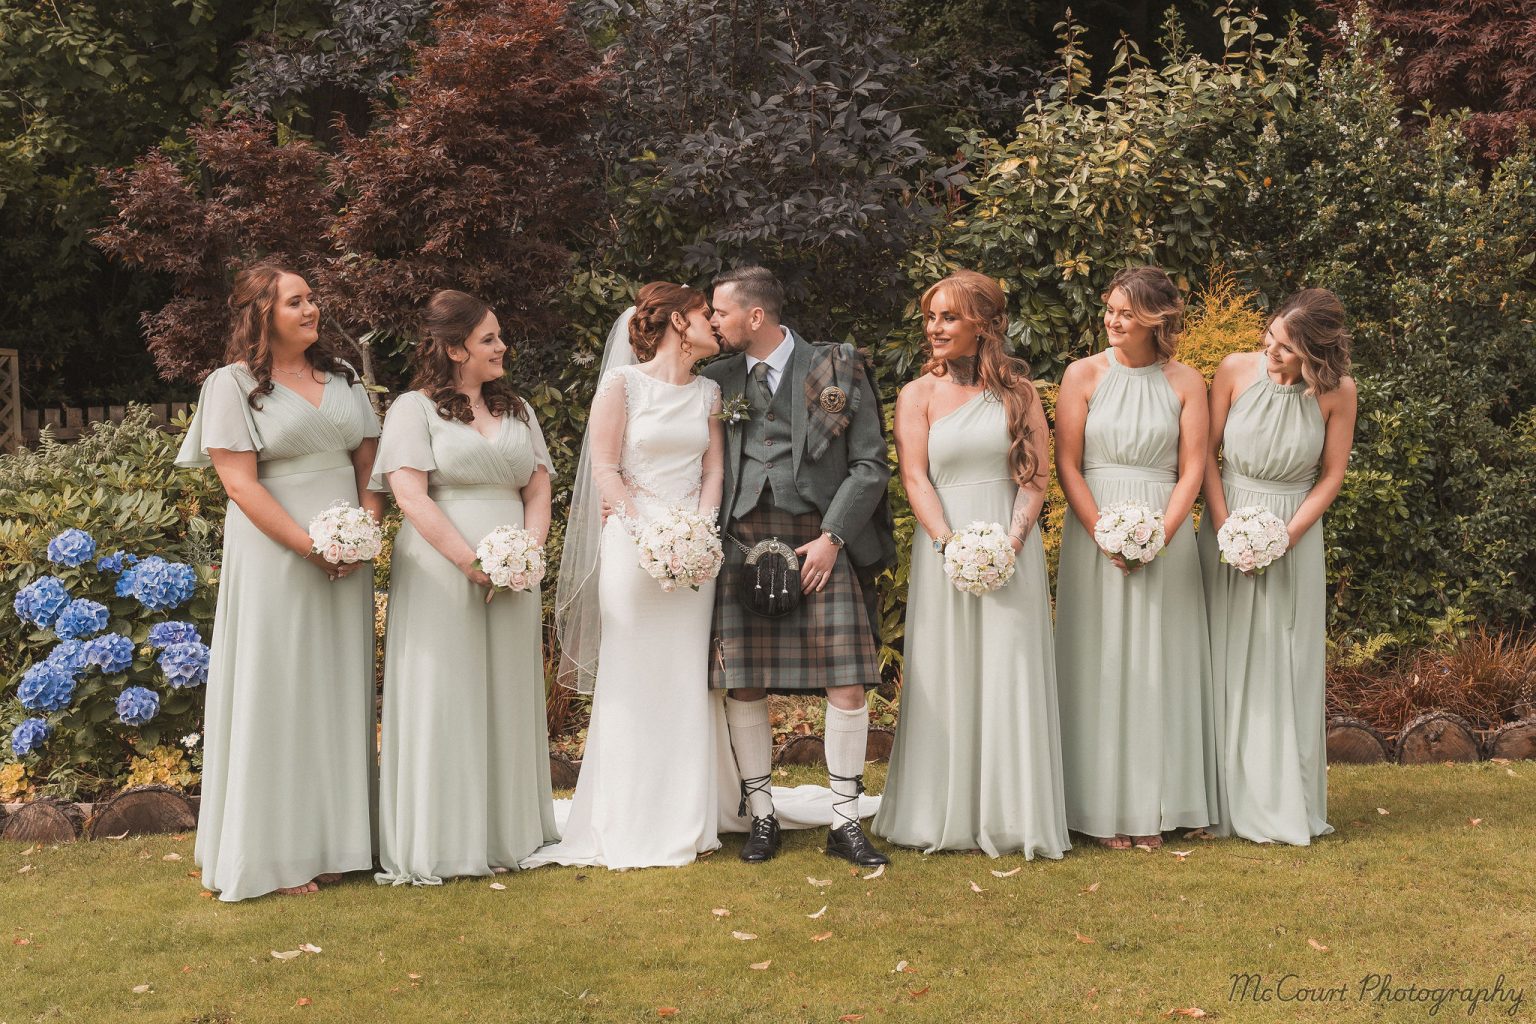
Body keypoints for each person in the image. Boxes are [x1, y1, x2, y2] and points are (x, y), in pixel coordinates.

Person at [176, 262, 381, 900]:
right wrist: (310, 546)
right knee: (281, 689)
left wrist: (362, 535)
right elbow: (239, 484)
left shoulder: (345, 379)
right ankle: (277, 852)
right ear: (261, 313)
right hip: (276, 552)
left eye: (313, 298)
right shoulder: (230, 386)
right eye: (296, 301)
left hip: (346, 554)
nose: (311, 309)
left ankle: (339, 842)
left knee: (337, 688)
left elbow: (370, 464)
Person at [523, 282, 734, 869]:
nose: (713, 322)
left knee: (683, 675)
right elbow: (606, 469)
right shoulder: (622, 384)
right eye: (702, 314)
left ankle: (684, 816)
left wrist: (699, 530)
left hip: (694, 550)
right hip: (632, 542)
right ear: (675, 321)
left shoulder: (710, 391)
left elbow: (713, 468)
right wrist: (646, 533)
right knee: (633, 674)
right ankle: (621, 814)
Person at [872, 270, 1070, 859]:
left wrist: (1009, 543)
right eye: (931, 316)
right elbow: (915, 477)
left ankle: (1013, 817)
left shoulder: (1020, 392)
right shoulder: (917, 395)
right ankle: (941, 811)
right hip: (946, 550)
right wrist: (948, 545)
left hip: (1011, 551)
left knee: (1011, 669)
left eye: (949, 317)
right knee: (947, 672)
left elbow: (1036, 477)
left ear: (984, 324)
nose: (934, 328)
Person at [704, 265, 895, 866]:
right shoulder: (716, 379)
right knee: (746, 678)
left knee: (846, 677)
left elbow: (870, 465)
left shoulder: (837, 366)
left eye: (721, 312)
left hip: (819, 537)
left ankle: (845, 820)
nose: (714, 321)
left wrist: (834, 537)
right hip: (742, 539)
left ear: (754, 316)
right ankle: (762, 815)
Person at [371, 290, 559, 884]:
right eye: (488, 339)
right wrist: (470, 563)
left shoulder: (519, 410)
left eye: (499, 336)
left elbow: (538, 488)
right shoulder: (413, 409)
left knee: (507, 691)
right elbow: (409, 495)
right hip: (440, 568)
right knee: (445, 692)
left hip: (514, 573)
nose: (502, 347)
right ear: (454, 350)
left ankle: (507, 833)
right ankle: (444, 837)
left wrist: (526, 553)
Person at [1054, 266, 1219, 850]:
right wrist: (1103, 532)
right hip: (1093, 529)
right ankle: (1094, 807)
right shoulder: (1082, 374)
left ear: (1156, 319)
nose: (1112, 320)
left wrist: (1159, 537)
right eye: (1110, 308)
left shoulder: (1186, 382)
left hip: (1163, 533)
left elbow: (1193, 468)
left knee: (1157, 667)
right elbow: (1067, 464)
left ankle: (1155, 805)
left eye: (1125, 312)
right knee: (1097, 663)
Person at [1199, 288, 1357, 845]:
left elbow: (1331, 476)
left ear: (1315, 354)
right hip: (1227, 522)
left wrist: (1283, 540)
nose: (1271, 353)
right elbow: (1206, 458)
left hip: (1294, 532)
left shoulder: (1337, 395)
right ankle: (1215, 796)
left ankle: (1281, 796)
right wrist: (1226, 530)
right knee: (1221, 656)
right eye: (1269, 339)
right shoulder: (1233, 371)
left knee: (1282, 659)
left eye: (1286, 348)